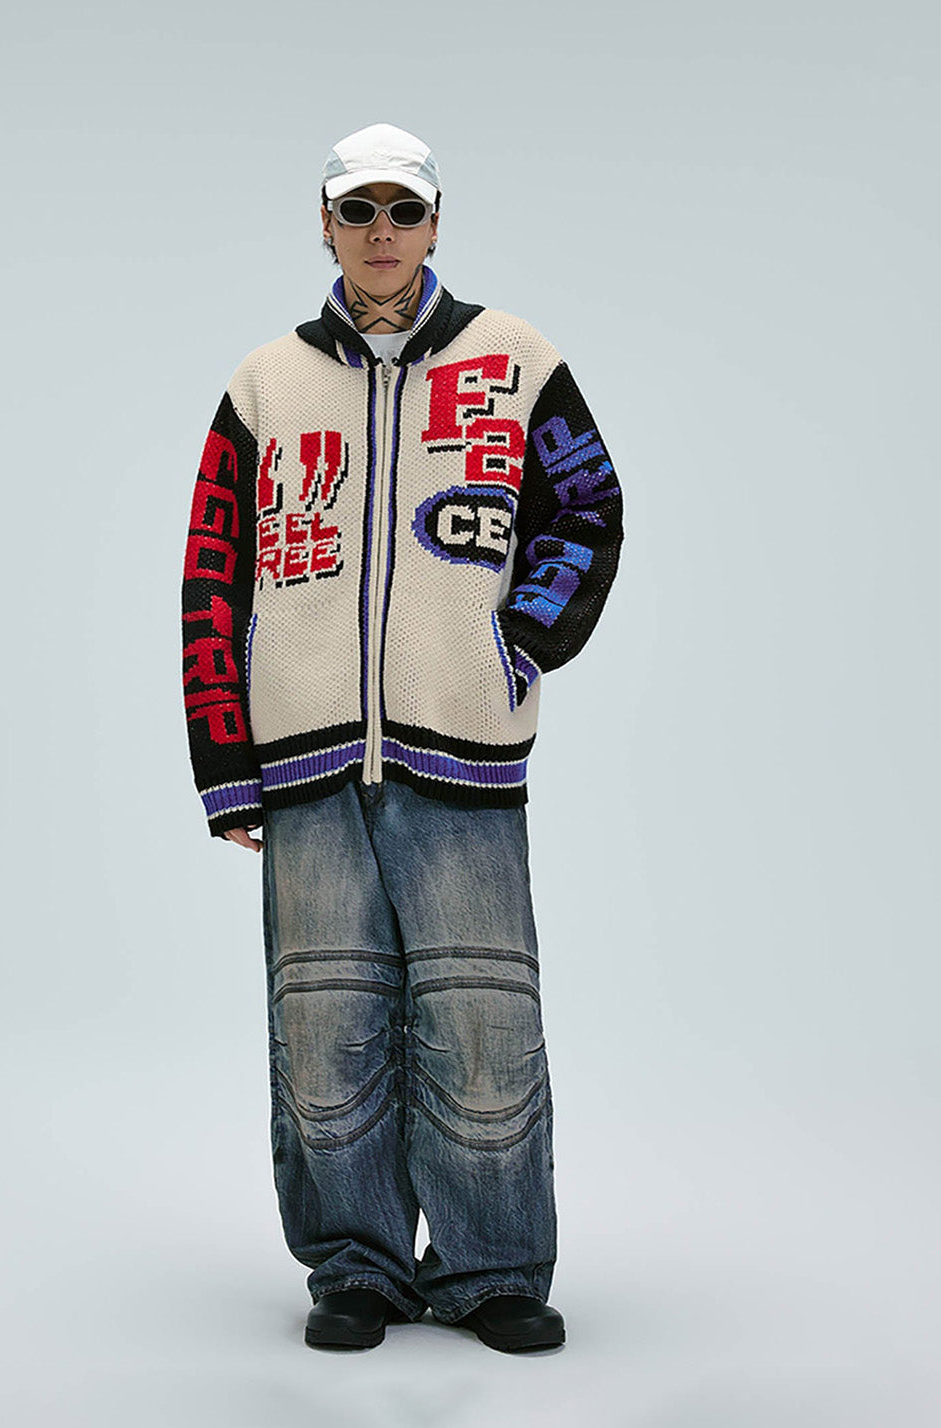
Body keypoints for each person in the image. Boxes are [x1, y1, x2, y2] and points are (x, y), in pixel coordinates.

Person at [180, 122, 625, 1352]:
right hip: (305, 760)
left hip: (461, 756)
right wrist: (226, 762)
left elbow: (588, 507)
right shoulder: (265, 384)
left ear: (436, 222)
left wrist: (513, 646)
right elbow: (213, 573)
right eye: (358, 209)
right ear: (324, 225)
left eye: (404, 209)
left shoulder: (515, 359)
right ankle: (358, 1268)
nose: (381, 232)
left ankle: (493, 1271)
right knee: (325, 1027)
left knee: (483, 1024)